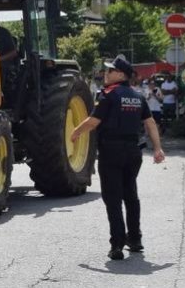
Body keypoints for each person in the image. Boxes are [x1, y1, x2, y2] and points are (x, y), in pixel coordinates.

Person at [70, 55, 165, 260]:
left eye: (110, 70)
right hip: (133, 152)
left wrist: (76, 132)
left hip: (111, 151)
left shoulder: (109, 95)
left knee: (113, 199)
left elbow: (93, 121)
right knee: (130, 195)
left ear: (120, 74)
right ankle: (136, 239)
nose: (106, 73)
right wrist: (157, 148)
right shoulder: (137, 96)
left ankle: (117, 245)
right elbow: (150, 124)